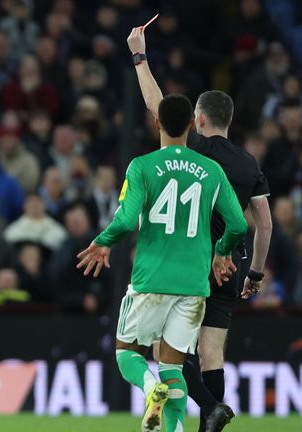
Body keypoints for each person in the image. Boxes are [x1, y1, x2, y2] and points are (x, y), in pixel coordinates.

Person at [127, 25, 273, 432]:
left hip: (192, 261)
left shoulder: (196, 150)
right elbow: (264, 223)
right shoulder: (249, 164)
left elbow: (158, 107)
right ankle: (212, 418)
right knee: (212, 353)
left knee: (163, 349)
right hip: (234, 265)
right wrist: (255, 273)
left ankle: (209, 408)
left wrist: (140, 57)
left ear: (198, 119)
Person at [77, 94, 247, 432]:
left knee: (127, 353)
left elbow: (125, 222)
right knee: (174, 367)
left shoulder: (142, 165)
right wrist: (223, 250)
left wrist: (102, 241)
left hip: (151, 280)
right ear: (190, 126)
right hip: (194, 286)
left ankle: (147, 388)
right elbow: (239, 225)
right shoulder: (211, 170)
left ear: (156, 123)